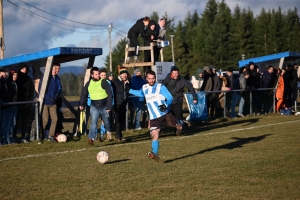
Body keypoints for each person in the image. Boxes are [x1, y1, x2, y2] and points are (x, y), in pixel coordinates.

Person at [129, 70, 183, 161]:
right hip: (154, 117)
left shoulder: (160, 87)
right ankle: (155, 154)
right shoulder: (144, 87)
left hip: (165, 115)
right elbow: (141, 93)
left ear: (155, 78)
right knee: (154, 135)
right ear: (146, 79)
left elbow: (170, 98)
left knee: (179, 127)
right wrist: (129, 90)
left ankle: (181, 122)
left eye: (153, 78)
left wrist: (165, 105)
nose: (151, 81)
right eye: (149, 79)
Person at [79, 67, 112, 146]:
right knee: (93, 122)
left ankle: (108, 132)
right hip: (94, 106)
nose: (98, 76)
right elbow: (84, 94)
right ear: (92, 75)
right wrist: (81, 104)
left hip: (104, 106)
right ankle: (91, 138)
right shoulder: (88, 83)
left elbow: (110, 94)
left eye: (98, 74)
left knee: (106, 122)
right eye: (96, 74)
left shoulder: (104, 82)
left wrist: (109, 107)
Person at [162, 66, 197, 133]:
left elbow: (190, 88)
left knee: (178, 114)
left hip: (178, 99)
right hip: (169, 100)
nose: (175, 75)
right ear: (171, 73)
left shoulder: (182, 80)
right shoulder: (167, 79)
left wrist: (194, 97)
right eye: (173, 73)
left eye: (176, 73)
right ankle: (184, 122)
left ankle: (177, 129)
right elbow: (161, 87)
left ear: (178, 73)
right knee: (171, 115)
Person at [39, 63, 62, 142]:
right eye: (55, 68)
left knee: (55, 118)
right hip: (45, 102)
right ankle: (41, 135)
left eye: (58, 69)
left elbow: (59, 89)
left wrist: (55, 97)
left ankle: (51, 135)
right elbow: (41, 89)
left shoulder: (57, 79)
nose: (57, 70)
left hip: (53, 103)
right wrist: (48, 98)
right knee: (45, 120)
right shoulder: (45, 78)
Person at [15, 63, 34, 143]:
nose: (24, 70)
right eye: (23, 69)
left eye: (25, 69)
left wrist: (29, 102)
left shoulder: (29, 79)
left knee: (25, 121)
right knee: (16, 121)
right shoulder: (16, 78)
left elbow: (31, 91)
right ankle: (14, 137)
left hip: (27, 104)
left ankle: (23, 137)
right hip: (17, 104)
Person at [113, 67, 130, 141]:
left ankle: (120, 134)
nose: (124, 75)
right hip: (117, 103)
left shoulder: (127, 82)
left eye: (125, 74)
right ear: (120, 75)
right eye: (123, 74)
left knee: (122, 120)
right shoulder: (116, 82)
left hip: (124, 103)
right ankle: (117, 135)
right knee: (118, 120)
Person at [4, 70, 19, 144]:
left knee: (13, 123)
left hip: (14, 105)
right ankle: (7, 139)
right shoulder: (8, 83)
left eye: (16, 75)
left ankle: (12, 138)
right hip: (9, 105)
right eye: (14, 75)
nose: (15, 76)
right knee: (8, 123)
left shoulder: (15, 83)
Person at [0, 69, 8, 145]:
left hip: (3, 107)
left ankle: (3, 139)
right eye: (2, 75)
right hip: (1, 106)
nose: (3, 76)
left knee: (2, 124)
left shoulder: (4, 83)